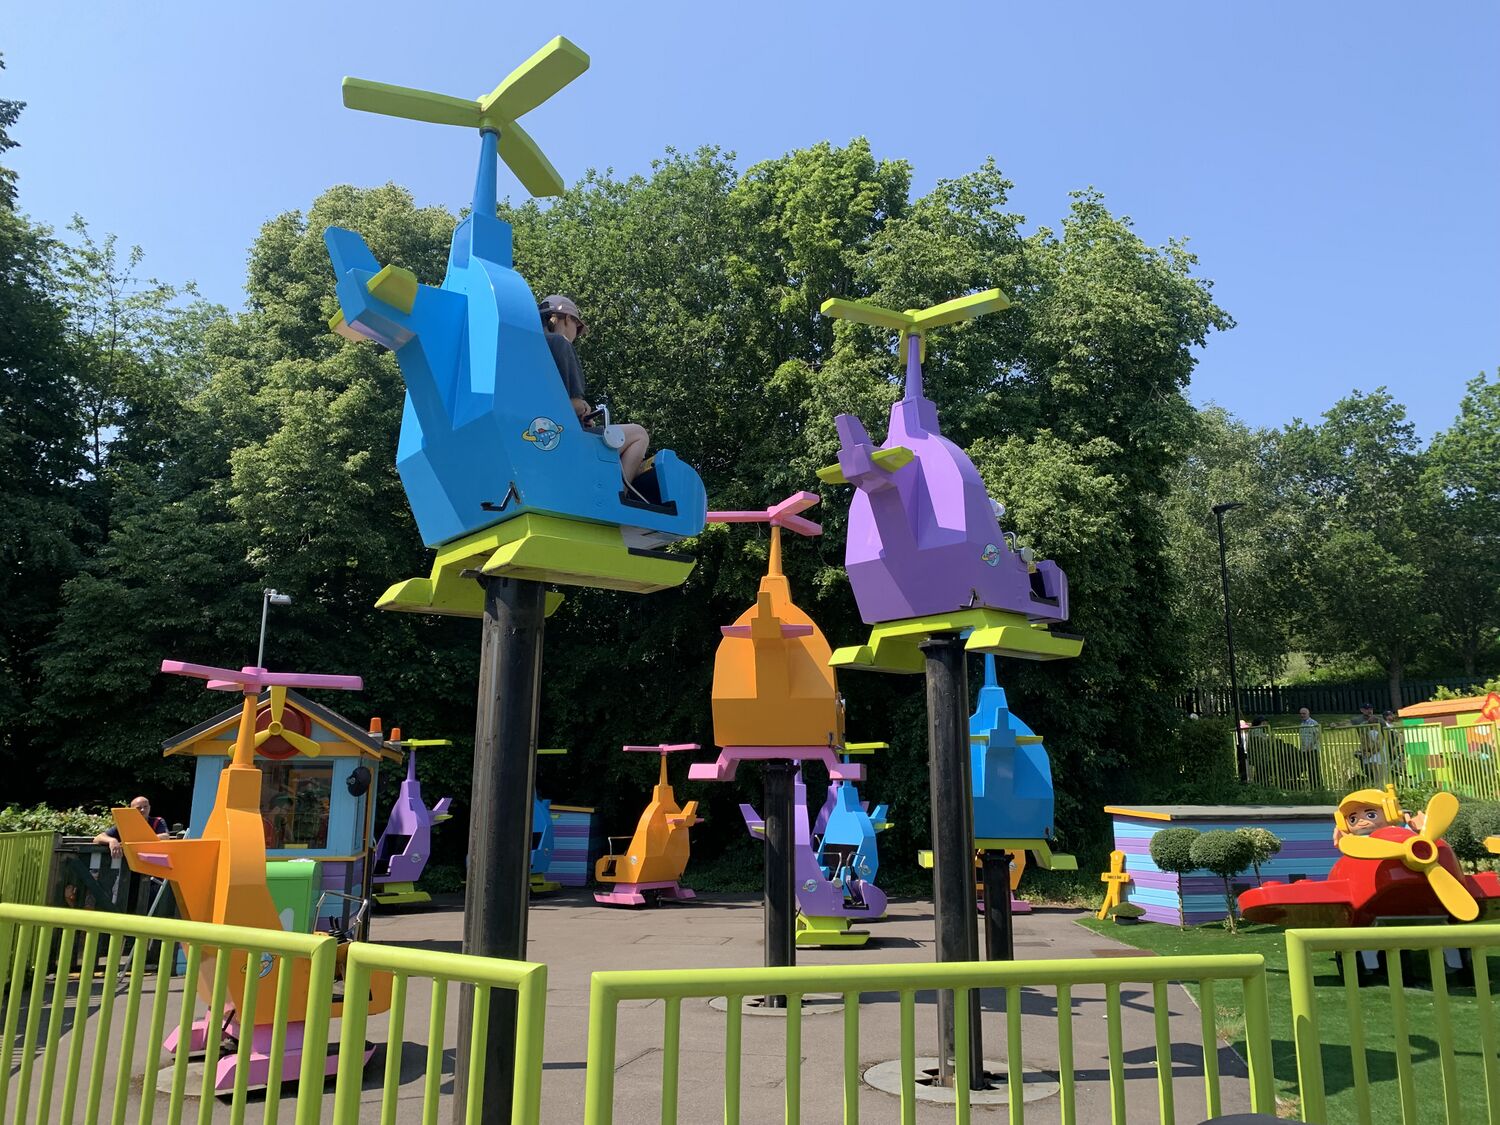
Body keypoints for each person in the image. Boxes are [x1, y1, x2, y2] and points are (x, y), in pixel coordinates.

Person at [538, 295, 652, 489]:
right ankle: (619, 494)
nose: (576, 335)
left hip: (542, 436)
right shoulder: (560, 344)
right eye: (578, 328)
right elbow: (571, 406)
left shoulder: (533, 348)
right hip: (567, 441)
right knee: (639, 434)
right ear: (568, 319)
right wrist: (583, 408)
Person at [93, 796, 169, 857]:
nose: (143, 810)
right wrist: (112, 841)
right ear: (131, 809)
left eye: (145, 807)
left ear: (149, 807)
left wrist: (135, 841)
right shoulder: (125, 824)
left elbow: (165, 836)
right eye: (138, 808)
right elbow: (98, 838)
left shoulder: (157, 821)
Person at [1299, 708, 1325, 790]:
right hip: (1304, 750)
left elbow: (1317, 735)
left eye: (1304, 713)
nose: (1302, 715)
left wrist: (1310, 746)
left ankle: (1318, 785)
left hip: (1313, 749)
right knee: (1308, 768)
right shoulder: (1301, 724)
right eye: (1301, 714)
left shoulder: (1313, 723)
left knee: (1315, 768)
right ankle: (1312, 785)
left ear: (1308, 714)